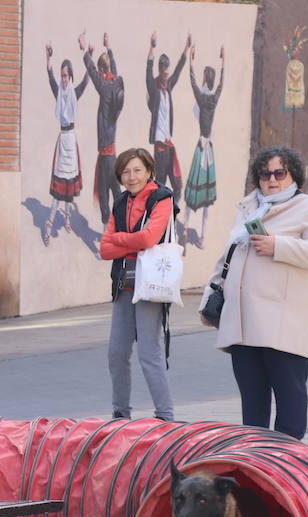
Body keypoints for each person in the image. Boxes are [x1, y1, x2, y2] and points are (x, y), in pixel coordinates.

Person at [199, 146, 308, 440]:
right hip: (243, 321)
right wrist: (209, 298)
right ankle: (257, 458)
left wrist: (278, 246)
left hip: (283, 322)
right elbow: (227, 258)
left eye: (279, 173)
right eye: (265, 174)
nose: (272, 180)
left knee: (289, 399)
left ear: (293, 175)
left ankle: (288, 460)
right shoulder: (249, 208)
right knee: (252, 401)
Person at [98, 147, 177, 421]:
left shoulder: (161, 198)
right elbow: (104, 250)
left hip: (151, 284)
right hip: (123, 283)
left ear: (149, 171)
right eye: (125, 172)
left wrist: (119, 239)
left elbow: (148, 239)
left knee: (148, 352)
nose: (131, 177)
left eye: (137, 170)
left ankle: (165, 416)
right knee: (116, 353)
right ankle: (120, 415)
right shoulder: (121, 202)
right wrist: (129, 241)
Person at [41, 43, 90, 246]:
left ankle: (67, 219)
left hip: (72, 140)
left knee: (69, 186)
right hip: (63, 142)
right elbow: (50, 77)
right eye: (62, 75)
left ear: (71, 77)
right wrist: (48, 57)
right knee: (59, 186)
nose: (63, 79)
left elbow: (87, 81)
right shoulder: (59, 93)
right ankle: (48, 225)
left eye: (66, 76)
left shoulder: (74, 93)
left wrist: (89, 55)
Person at [81, 31, 125, 226]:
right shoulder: (115, 82)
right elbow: (112, 67)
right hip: (112, 153)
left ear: (101, 70)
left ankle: (110, 232)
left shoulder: (105, 87)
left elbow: (92, 71)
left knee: (105, 196)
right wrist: (109, 47)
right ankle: (121, 228)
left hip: (106, 155)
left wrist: (84, 50)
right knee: (116, 193)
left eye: (100, 71)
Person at [182, 43, 224, 247]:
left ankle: (185, 224)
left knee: (193, 188)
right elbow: (221, 85)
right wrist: (224, 62)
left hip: (201, 147)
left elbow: (191, 81)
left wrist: (191, 61)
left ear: (205, 79)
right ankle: (203, 237)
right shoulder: (213, 99)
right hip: (209, 148)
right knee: (206, 194)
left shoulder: (201, 97)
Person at [145, 31, 189, 215]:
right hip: (160, 145)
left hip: (168, 142)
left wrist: (186, 49)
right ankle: (157, 215)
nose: (166, 73)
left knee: (177, 183)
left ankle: (171, 211)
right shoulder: (154, 88)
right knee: (160, 181)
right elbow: (147, 71)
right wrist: (152, 47)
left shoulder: (168, 85)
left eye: (168, 70)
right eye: (164, 70)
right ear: (160, 70)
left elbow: (179, 71)